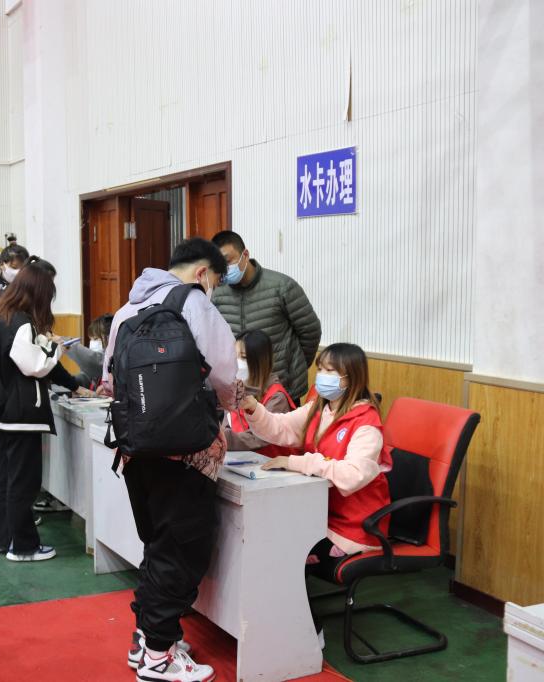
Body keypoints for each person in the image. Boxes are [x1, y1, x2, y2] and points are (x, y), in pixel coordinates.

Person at [101, 238, 238, 682]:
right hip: (186, 453)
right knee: (181, 552)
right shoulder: (195, 303)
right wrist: (231, 406)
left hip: (134, 450)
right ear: (202, 273)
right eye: (215, 280)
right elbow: (224, 375)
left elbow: (108, 380)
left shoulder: (126, 310)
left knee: (158, 546)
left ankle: (147, 640)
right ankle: (158, 658)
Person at [242, 343, 392, 642]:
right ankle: (275, 622)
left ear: (350, 377)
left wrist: (297, 462)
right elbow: (280, 427)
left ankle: (310, 632)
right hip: (319, 515)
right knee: (265, 540)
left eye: (330, 371)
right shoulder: (319, 408)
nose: (321, 376)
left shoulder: (366, 424)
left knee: (283, 551)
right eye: (320, 369)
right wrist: (253, 407)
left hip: (354, 528)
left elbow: (352, 475)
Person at [0, 259, 92, 562]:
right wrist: (57, 348)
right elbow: (35, 366)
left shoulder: (1, 314)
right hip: (21, 415)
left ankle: (1, 539)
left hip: (2, 412)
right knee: (24, 482)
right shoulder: (21, 322)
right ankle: (24, 547)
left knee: (5, 480)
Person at [211, 230, 322, 403]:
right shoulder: (217, 294)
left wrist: (293, 368)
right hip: (239, 391)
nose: (224, 269)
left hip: (281, 390)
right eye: (219, 265)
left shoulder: (282, 287)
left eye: (228, 261)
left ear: (245, 255)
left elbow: (310, 331)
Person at [225, 330, 297, 455]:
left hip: (271, 461)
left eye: (243, 357)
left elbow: (260, 438)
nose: (236, 362)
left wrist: (223, 438)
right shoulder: (234, 388)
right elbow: (225, 422)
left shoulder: (276, 397)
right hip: (239, 457)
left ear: (260, 361)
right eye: (234, 356)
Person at [66, 313, 113, 389]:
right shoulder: (93, 369)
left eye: (96, 339)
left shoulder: (111, 358)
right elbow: (86, 377)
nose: (92, 342)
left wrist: (65, 343)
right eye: (91, 339)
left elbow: (92, 360)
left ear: (109, 338)